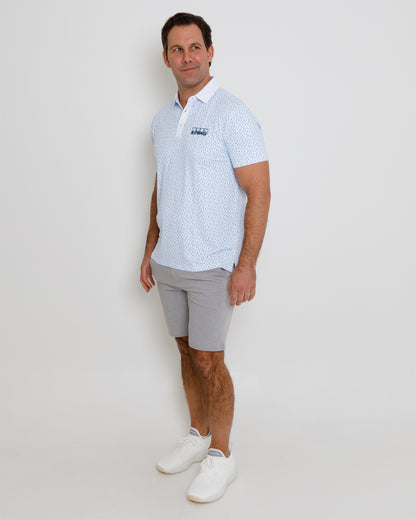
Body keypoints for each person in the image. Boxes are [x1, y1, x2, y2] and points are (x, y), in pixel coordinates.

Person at [140, 12, 271, 503]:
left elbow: (259, 192)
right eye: (177, 49)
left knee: (209, 359)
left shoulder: (233, 114)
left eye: (195, 47)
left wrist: (246, 264)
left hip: (213, 264)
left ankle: (222, 455)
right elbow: (162, 186)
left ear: (210, 52)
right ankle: (198, 436)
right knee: (183, 351)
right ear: (166, 58)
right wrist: (149, 249)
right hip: (169, 260)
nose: (187, 57)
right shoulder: (161, 121)